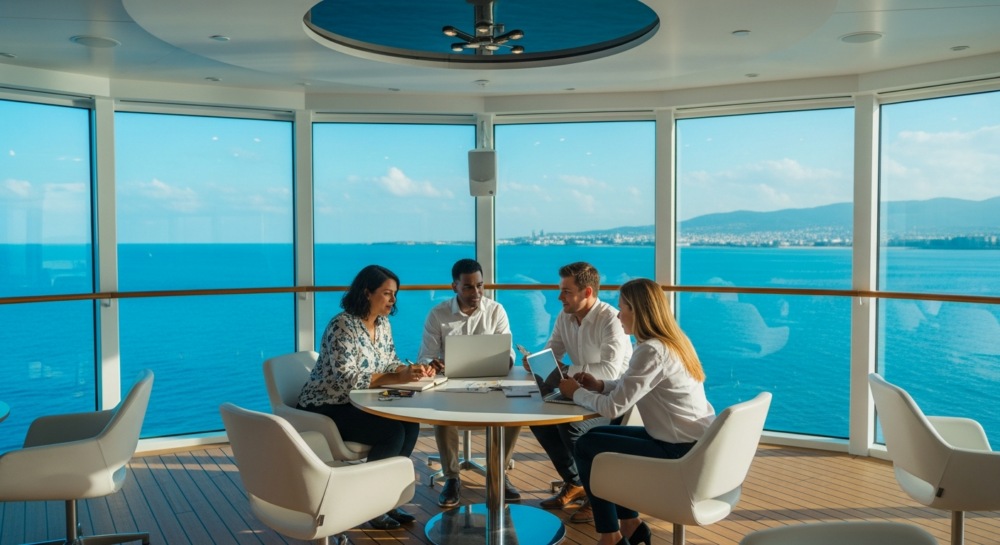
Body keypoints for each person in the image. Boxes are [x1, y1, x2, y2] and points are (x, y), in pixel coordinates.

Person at [560, 278, 716, 545]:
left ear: (638, 311)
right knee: (596, 438)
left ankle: (611, 536)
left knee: (586, 446)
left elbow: (613, 407)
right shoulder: (671, 342)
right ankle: (630, 525)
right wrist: (600, 385)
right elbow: (632, 385)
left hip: (678, 450)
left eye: (622, 308)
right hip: (690, 440)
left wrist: (575, 393)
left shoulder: (651, 351)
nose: (618, 315)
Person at [297, 264, 434, 531]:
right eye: (387, 293)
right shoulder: (342, 326)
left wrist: (410, 370)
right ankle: (372, 506)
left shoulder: (383, 323)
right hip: (325, 406)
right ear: (367, 292)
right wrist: (397, 378)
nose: (393, 300)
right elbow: (347, 379)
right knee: (391, 432)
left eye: (395, 294)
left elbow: (390, 361)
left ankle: (387, 500)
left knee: (410, 424)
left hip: (354, 402)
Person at [523, 262, 632, 523]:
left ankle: (599, 497)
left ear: (587, 292)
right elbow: (552, 353)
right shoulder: (565, 316)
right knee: (538, 420)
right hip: (579, 392)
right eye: (561, 290)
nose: (559, 297)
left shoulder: (611, 320)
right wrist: (535, 361)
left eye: (566, 291)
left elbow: (609, 371)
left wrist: (563, 368)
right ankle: (575, 483)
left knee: (570, 426)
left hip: (611, 397)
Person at [418, 258, 523, 507]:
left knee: (516, 412)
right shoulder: (438, 314)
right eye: (468, 287)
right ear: (454, 286)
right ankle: (452, 477)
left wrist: (506, 359)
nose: (476, 292)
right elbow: (425, 356)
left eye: (480, 285)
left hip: (490, 380)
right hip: (451, 383)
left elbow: (509, 352)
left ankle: (498, 472)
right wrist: (433, 364)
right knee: (442, 415)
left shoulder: (496, 311)